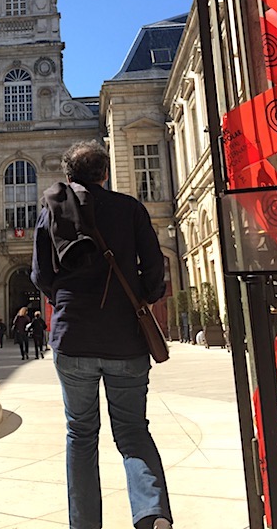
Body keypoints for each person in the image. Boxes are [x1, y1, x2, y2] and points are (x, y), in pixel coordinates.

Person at [31, 140, 172, 529]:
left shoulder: (51, 212)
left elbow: (41, 274)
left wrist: (65, 300)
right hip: (125, 337)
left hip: (73, 337)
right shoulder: (130, 208)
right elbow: (155, 267)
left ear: (69, 177)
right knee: (131, 430)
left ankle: (85, 525)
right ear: (105, 174)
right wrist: (143, 297)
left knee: (81, 434)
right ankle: (151, 513)